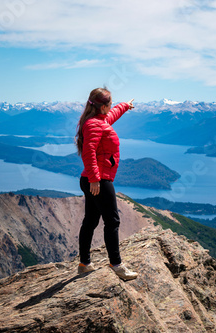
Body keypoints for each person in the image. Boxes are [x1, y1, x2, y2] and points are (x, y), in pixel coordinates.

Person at [75, 87, 137, 280]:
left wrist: (125, 106)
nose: (111, 109)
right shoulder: (94, 124)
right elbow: (89, 152)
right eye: (109, 105)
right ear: (102, 107)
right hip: (99, 180)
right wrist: (95, 179)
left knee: (91, 220)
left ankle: (84, 263)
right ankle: (117, 265)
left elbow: (112, 114)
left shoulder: (99, 120)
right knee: (112, 221)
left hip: (93, 178)